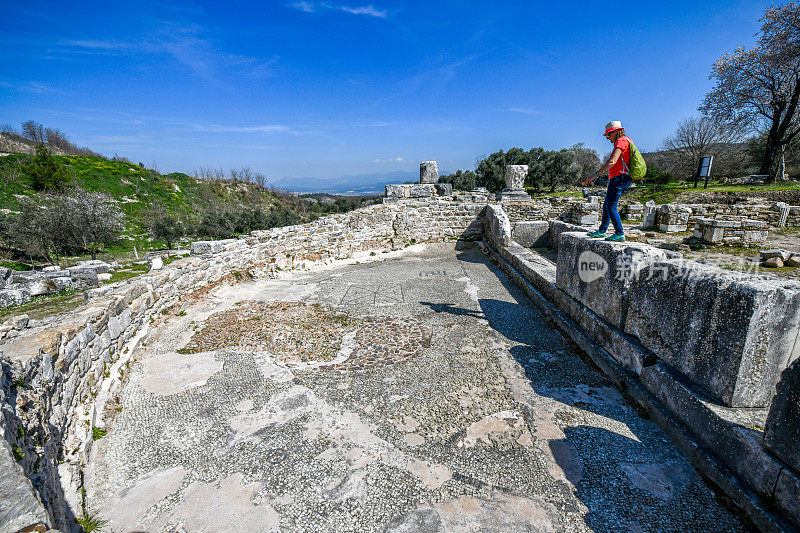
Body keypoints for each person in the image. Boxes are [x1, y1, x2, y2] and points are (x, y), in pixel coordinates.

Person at [582, 121, 634, 242]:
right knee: (607, 204)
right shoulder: (627, 140)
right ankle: (602, 230)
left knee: (611, 206)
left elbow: (612, 161)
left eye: (608, 135)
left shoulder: (621, 141)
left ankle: (619, 233)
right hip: (620, 177)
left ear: (615, 132)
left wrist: (595, 175)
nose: (607, 138)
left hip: (619, 177)